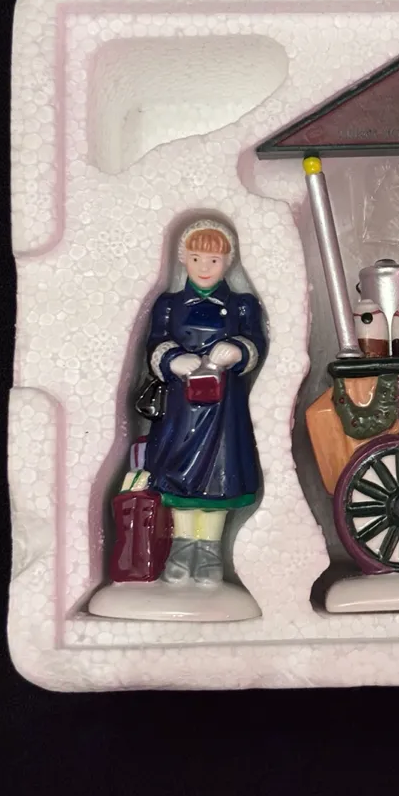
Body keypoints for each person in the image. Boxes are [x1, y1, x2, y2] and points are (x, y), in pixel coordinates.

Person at [144, 218, 266, 587]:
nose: (204, 267)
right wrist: (171, 359)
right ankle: (183, 547)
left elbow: (256, 342)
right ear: (183, 257)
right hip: (182, 407)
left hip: (224, 408)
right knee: (179, 471)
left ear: (228, 261)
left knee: (218, 472)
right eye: (196, 258)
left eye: (213, 260)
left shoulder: (242, 305)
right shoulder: (168, 305)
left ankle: (209, 549)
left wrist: (238, 351)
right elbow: (155, 342)